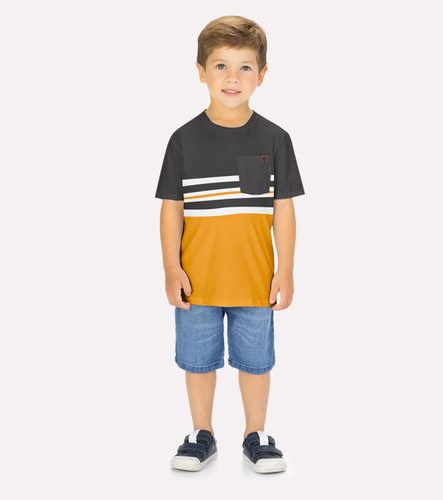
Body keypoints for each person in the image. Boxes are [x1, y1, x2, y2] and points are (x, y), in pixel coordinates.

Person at [155, 15, 306, 474]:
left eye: (245, 67)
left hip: (255, 282)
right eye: (221, 66)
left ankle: (255, 434)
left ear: (262, 75)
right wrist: (171, 268)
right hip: (197, 282)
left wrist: (285, 270)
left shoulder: (275, 139)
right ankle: (201, 433)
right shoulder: (182, 140)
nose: (232, 78)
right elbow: (171, 209)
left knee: (256, 363)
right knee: (197, 362)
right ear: (201, 71)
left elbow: (283, 209)